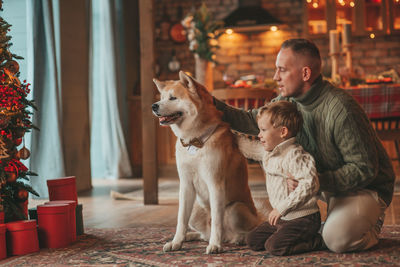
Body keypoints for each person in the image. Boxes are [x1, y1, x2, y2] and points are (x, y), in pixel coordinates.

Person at [210, 38, 395, 253]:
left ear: (305, 74)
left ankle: (371, 224)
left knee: (336, 240)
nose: (275, 77)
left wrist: (313, 181)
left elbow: (366, 170)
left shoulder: (341, 109)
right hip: (325, 187)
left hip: (367, 189)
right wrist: (210, 103)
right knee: (319, 230)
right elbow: (254, 121)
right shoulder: (289, 101)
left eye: (282, 70)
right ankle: (335, 220)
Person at [237, 100, 322, 256]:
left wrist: (282, 208)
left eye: (263, 130)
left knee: (274, 246)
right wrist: (223, 130)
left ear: (283, 132)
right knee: (252, 240)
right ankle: (284, 234)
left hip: (303, 218)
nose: (259, 135)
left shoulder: (295, 155)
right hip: (283, 218)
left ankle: (315, 241)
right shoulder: (267, 151)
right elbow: (246, 147)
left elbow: (310, 184)